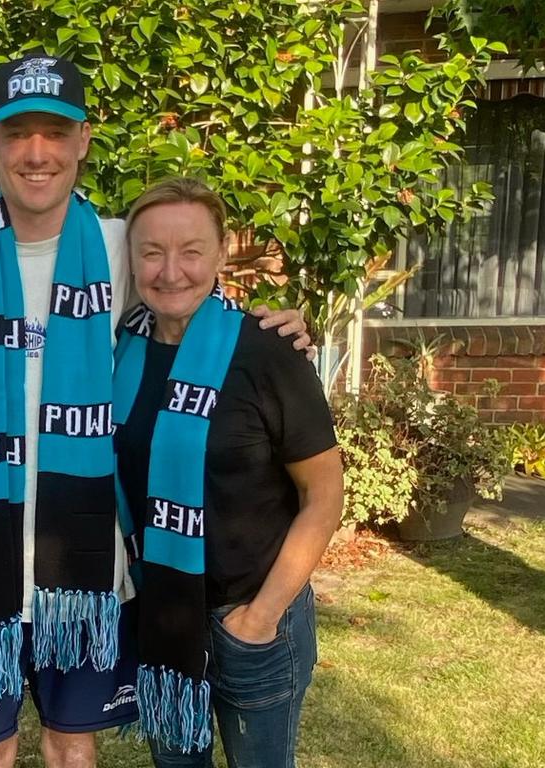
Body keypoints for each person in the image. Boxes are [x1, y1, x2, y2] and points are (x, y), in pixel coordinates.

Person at [0, 54, 313, 768]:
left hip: (86, 565)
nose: (38, 153)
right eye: (18, 132)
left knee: (72, 747)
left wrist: (282, 325)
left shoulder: (122, 248)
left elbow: (188, 305)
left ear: (84, 140)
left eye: (55, 132)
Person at [113, 177, 343, 768]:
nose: (171, 271)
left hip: (252, 616)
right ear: (132, 259)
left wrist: (259, 618)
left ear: (219, 254)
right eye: (152, 252)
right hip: (163, 612)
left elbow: (324, 496)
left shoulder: (267, 350)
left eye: (191, 251)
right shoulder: (117, 352)